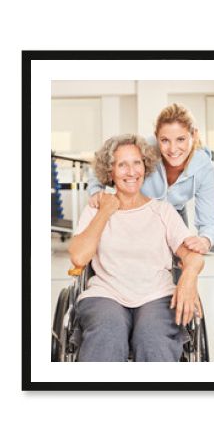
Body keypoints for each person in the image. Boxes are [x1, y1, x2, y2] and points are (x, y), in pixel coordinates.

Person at [69, 134, 204, 362]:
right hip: (106, 295)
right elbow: (79, 257)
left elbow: (192, 255)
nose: (131, 172)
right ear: (109, 172)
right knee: (107, 334)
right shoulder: (95, 210)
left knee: (153, 338)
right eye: (122, 164)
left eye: (136, 163)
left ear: (145, 166)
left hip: (157, 296)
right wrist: (105, 211)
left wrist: (189, 276)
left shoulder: (163, 211)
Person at [87, 103, 214, 255]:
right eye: (165, 140)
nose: (173, 149)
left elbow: (208, 222)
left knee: (181, 262)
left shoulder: (204, 168)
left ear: (193, 135)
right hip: (139, 212)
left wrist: (205, 240)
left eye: (180, 139)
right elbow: (103, 164)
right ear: (156, 137)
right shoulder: (145, 149)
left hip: (175, 213)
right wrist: (96, 190)